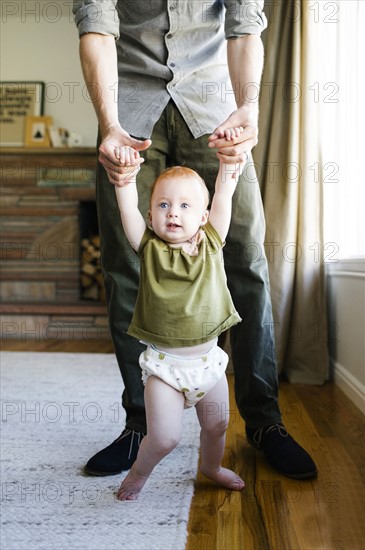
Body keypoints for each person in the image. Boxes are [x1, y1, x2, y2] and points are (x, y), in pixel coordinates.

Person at [73, 0, 317, 480]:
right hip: (128, 112)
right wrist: (108, 123)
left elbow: (245, 26)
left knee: (245, 261)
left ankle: (265, 423)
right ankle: (140, 425)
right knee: (125, 269)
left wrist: (248, 106)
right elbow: (96, 28)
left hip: (214, 110)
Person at [114, 132, 245, 500]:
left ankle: (211, 466)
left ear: (203, 217)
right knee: (164, 438)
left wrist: (228, 165)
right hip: (165, 367)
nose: (173, 212)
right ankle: (139, 473)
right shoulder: (148, 247)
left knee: (218, 424)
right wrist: (125, 179)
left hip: (208, 363)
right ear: (151, 215)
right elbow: (126, 210)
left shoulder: (212, 240)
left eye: (185, 206)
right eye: (163, 205)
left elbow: (224, 195)